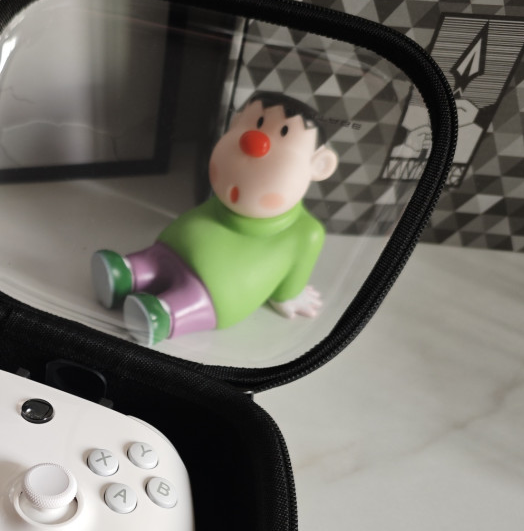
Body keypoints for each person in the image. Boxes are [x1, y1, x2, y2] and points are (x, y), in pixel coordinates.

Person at [92, 92, 339, 345]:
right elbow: (284, 294)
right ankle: (129, 275)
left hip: (215, 283)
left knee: (189, 294)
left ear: (320, 165)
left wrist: (288, 295)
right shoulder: (229, 197)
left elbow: (287, 288)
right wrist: (287, 296)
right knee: (154, 261)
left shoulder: (305, 231)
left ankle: (160, 311)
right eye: (256, 123)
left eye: (284, 132)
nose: (255, 142)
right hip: (181, 249)